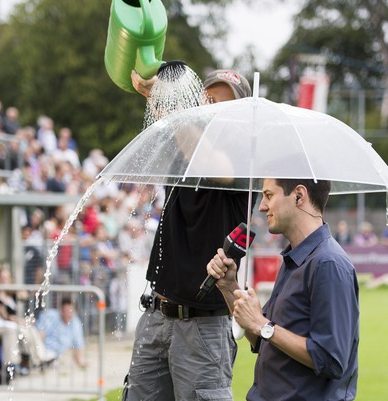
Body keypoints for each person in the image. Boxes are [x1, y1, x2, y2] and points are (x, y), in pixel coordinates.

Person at [122, 69, 252, 401]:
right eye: (206, 99)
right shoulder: (186, 149)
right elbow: (185, 136)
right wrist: (155, 95)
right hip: (156, 314)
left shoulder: (243, 160)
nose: (210, 108)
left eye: (222, 103)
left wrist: (168, 103)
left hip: (203, 327)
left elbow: (216, 167)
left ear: (242, 115)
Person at [206, 178, 359, 401]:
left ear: (299, 196)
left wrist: (263, 325)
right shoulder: (295, 257)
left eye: (269, 195)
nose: (261, 206)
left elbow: (330, 359)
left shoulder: (328, 263)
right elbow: (261, 338)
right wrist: (228, 286)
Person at [35, 297, 87, 368]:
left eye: (70, 311)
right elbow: (39, 335)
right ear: (61, 310)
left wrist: (79, 361)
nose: (68, 313)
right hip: (41, 348)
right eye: (66, 311)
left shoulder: (76, 323)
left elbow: (78, 344)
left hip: (54, 355)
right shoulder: (50, 316)